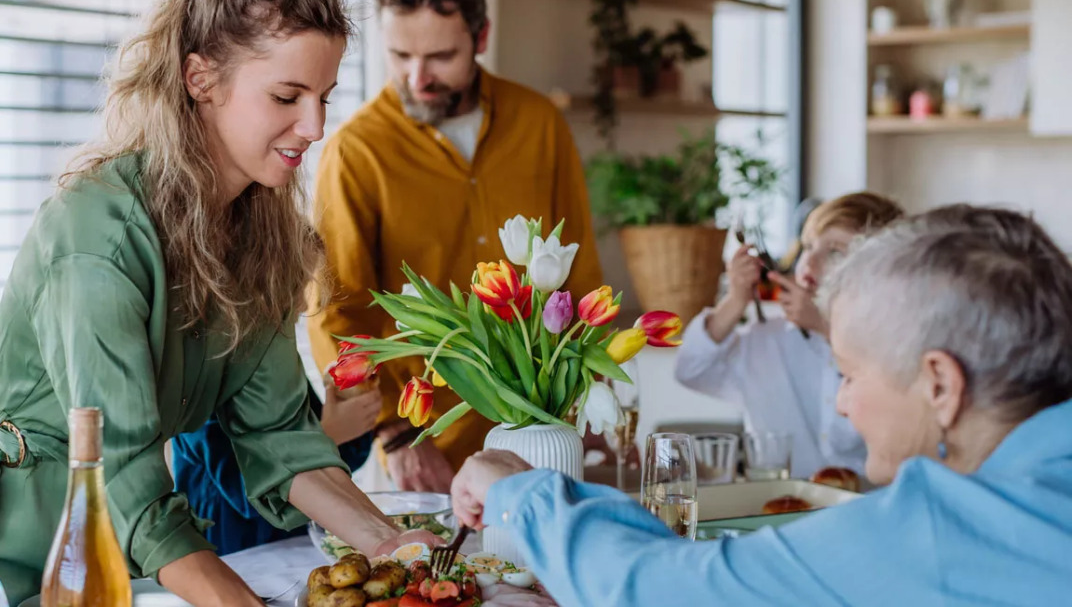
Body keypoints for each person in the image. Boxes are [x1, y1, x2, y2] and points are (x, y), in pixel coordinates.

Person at [0, 0, 438, 604]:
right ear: (201, 77)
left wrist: (394, 547)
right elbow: (125, 473)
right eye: (287, 97)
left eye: (323, 98)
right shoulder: (97, 233)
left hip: (118, 559)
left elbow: (279, 434)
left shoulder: (261, 234)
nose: (314, 127)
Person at [450, 205, 1072, 606]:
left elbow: (659, 591)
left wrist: (520, 490)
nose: (845, 403)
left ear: (940, 384)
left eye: (848, 373)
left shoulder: (934, 531)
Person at [307, 0, 603, 493]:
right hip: (422, 451)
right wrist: (393, 435)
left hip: (545, 433)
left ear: (481, 36)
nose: (417, 77)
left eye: (441, 55)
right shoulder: (355, 152)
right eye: (399, 54)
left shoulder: (540, 125)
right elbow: (337, 313)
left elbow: (578, 273)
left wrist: (596, 398)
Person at [675, 192, 904, 478]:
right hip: (777, 506)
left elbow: (874, 434)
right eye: (808, 246)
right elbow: (690, 370)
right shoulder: (766, 339)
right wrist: (735, 301)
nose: (810, 261)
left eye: (834, 252)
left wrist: (827, 329)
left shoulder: (895, 351)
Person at [170, 376, 378, 555]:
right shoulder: (198, 388)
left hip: (298, 539)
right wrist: (327, 433)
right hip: (233, 551)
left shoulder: (281, 370)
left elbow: (342, 460)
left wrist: (349, 410)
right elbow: (247, 491)